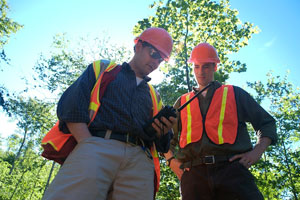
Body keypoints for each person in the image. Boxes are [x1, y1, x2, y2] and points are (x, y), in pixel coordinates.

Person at [42, 27, 176, 200]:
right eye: (153, 53)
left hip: (139, 160)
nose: (156, 62)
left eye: (161, 59)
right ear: (138, 46)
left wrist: (163, 132)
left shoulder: (153, 95)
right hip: (96, 145)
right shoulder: (103, 69)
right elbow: (71, 105)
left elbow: (163, 145)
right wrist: (87, 143)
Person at [164, 43, 277, 200]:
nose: (201, 72)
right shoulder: (182, 102)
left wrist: (256, 152)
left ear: (215, 67)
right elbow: (164, 138)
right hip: (194, 177)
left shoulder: (234, 93)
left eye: (206, 67)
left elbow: (266, 123)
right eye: (196, 67)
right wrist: (172, 162)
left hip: (233, 172)